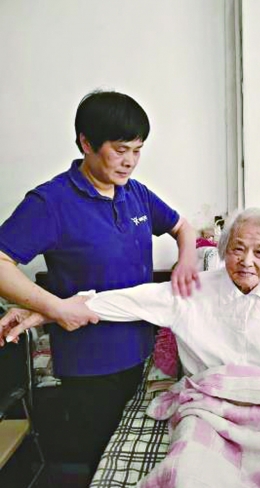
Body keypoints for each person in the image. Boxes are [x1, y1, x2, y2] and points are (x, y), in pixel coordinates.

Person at [0, 208, 260, 488]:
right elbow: (125, 300)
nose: (246, 261)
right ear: (223, 251)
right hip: (209, 411)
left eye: (259, 252)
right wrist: (49, 310)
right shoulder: (190, 292)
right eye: (238, 249)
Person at [0, 90, 199, 468]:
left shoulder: (135, 194)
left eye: (137, 150)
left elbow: (183, 227)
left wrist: (186, 259)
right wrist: (55, 308)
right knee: (102, 460)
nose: (130, 162)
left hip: (142, 350)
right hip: (90, 363)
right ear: (86, 143)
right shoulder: (51, 202)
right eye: (120, 150)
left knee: (141, 454)